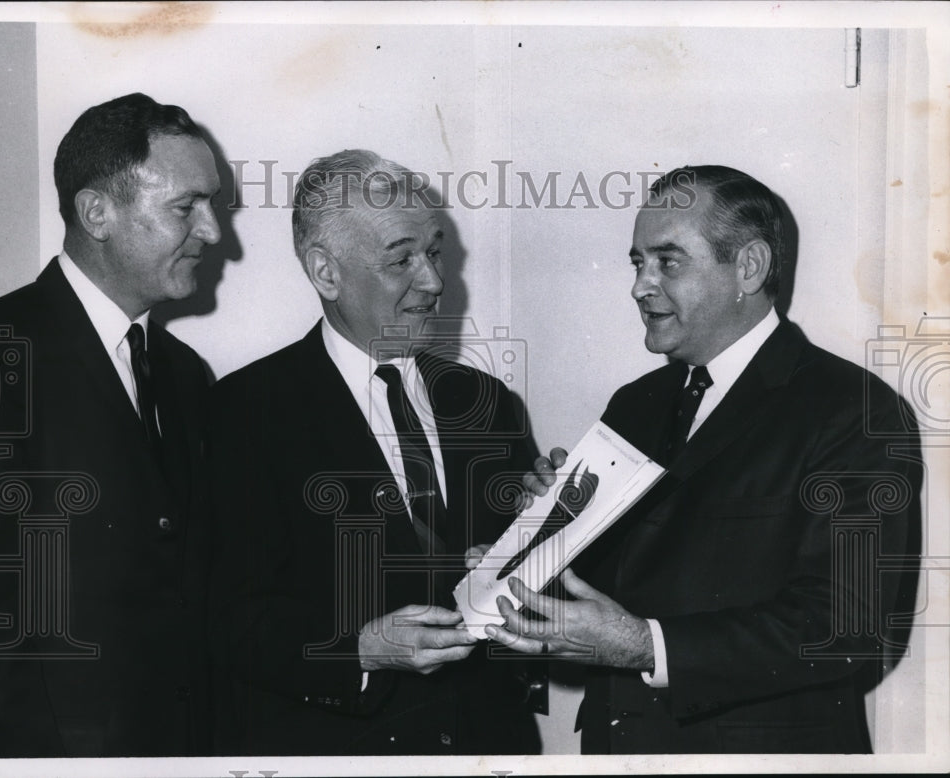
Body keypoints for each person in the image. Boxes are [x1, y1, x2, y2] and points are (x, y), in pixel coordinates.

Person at [484, 165, 922, 754]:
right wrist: (545, 537)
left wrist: (647, 646)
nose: (640, 286)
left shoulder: (853, 409)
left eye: (668, 261)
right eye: (637, 263)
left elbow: (846, 628)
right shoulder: (635, 405)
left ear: (749, 267)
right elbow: (610, 595)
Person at [208, 149, 542, 755]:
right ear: (326, 273)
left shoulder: (488, 402)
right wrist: (360, 649)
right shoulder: (242, 413)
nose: (435, 282)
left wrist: (550, 527)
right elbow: (226, 617)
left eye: (435, 252)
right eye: (402, 259)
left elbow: (524, 591)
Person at [0, 92, 221, 757]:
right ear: (98, 212)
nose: (213, 233)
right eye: (185, 208)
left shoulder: (187, 376)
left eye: (211, 205)